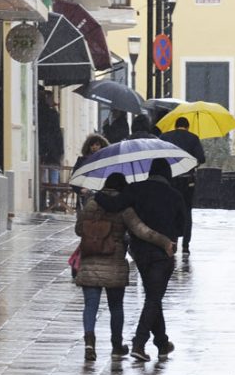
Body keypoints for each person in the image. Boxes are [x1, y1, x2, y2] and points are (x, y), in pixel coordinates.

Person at [75, 172, 175, 361]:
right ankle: (116, 346)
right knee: (116, 307)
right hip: (114, 263)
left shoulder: (91, 204)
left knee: (90, 305)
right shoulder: (124, 208)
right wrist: (164, 242)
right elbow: (142, 231)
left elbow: (79, 229)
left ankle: (89, 343)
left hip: (90, 261)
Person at [121, 159, 185, 361]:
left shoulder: (136, 190)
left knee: (153, 296)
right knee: (153, 298)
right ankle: (139, 344)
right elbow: (183, 228)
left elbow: (123, 211)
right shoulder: (174, 195)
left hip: (139, 252)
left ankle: (162, 343)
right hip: (162, 254)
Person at [160, 117, 206, 258]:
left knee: (170, 210)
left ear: (176, 125)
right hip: (187, 181)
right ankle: (186, 245)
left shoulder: (165, 137)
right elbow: (201, 158)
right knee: (186, 210)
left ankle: (172, 240)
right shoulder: (193, 138)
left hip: (170, 180)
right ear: (187, 126)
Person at [71, 134, 108, 211]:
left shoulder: (106, 161)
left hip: (101, 195)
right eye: (92, 145)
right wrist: (80, 190)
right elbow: (74, 178)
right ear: (88, 146)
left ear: (102, 146)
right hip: (85, 195)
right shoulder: (82, 161)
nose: (94, 147)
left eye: (97, 144)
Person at [38, 90, 64, 186]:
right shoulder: (52, 114)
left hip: (43, 148)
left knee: (43, 176)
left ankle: (43, 198)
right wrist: (60, 149)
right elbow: (57, 132)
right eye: (51, 98)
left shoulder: (39, 112)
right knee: (53, 176)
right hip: (53, 149)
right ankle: (54, 198)